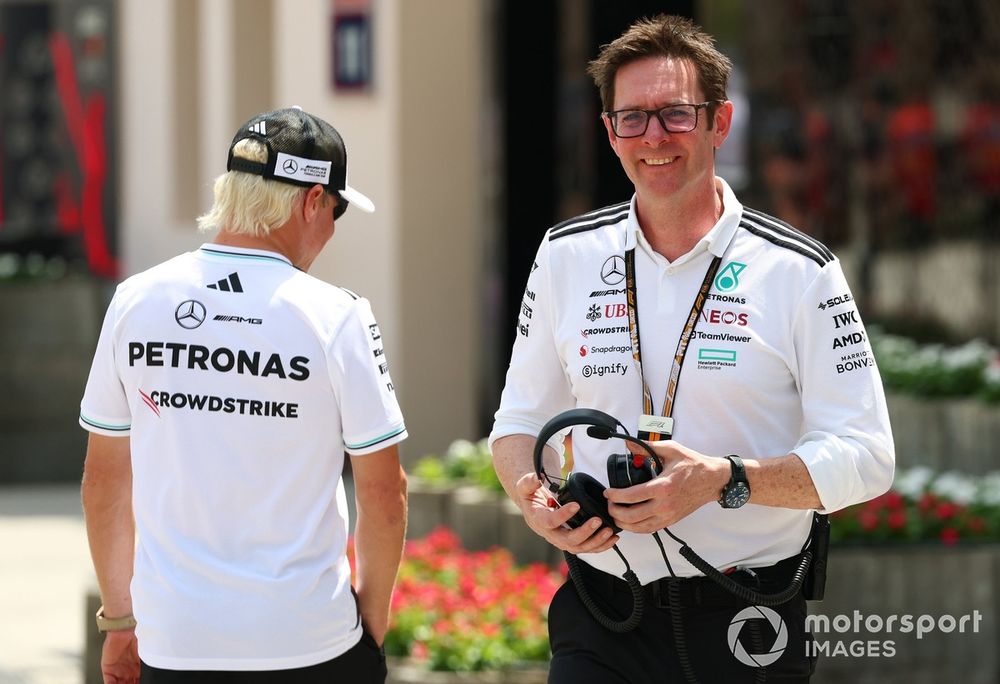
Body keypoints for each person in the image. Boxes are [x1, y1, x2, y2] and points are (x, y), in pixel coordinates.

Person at [490, 15, 894, 684]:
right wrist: (532, 497)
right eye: (632, 118)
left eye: (676, 114)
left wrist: (726, 481)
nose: (653, 137)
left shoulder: (800, 271)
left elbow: (867, 457)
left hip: (748, 621)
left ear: (719, 122)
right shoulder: (565, 256)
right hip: (601, 615)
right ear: (608, 130)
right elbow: (518, 425)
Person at [79, 107, 408, 683]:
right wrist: (372, 635)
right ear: (311, 202)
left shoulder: (134, 301)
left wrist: (119, 623)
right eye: (335, 211)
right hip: (310, 640)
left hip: (176, 644)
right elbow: (384, 493)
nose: (330, 229)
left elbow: (105, 481)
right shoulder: (338, 316)